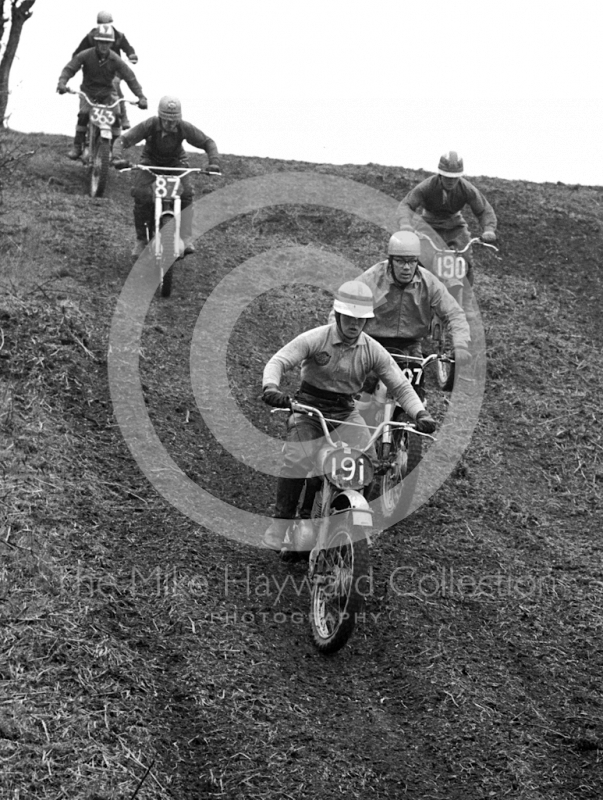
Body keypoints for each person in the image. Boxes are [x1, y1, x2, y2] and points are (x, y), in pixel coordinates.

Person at [261, 280, 436, 550]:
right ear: (339, 315)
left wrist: (420, 413)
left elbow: (400, 385)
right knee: (297, 457)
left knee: (368, 462)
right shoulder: (317, 338)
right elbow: (280, 361)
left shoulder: (371, 349)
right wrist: (271, 386)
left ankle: (346, 522)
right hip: (310, 408)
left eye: (361, 319)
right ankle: (281, 523)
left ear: (367, 321)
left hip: (345, 412)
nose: (354, 324)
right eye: (350, 318)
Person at [329, 231, 472, 399]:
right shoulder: (373, 279)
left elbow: (454, 313)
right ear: (390, 261)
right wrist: (337, 340)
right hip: (371, 342)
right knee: (355, 396)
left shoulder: (429, 283)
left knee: (414, 402)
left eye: (412, 262)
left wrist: (460, 345)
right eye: (400, 261)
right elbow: (342, 309)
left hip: (409, 347)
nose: (406, 267)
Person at [113, 96, 221, 258]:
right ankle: (142, 239)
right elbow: (124, 139)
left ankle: (185, 237)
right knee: (141, 193)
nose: (171, 124)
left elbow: (207, 142)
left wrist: (214, 162)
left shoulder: (184, 128)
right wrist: (116, 157)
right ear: (160, 117)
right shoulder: (149, 125)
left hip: (176, 163)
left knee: (186, 193)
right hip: (150, 163)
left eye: (174, 121)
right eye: (167, 120)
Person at [396, 151, 498, 289]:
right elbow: (406, 205)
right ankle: (414, 294)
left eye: (455, 177)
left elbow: (484, 209)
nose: (451, 180)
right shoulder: (426, 187)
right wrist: (405, 225)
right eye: (447, 176)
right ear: (440, 174)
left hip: (455, 226)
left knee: (465, 262)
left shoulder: (467, 189)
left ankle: (466, 300)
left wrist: (489, 229)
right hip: (428, 225)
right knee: (417, 259)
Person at [57, 24, 148, 160]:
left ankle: (115, 153)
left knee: (117, 116)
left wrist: (141, 96)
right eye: (101, 42)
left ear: (111, 44)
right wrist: (62, 83)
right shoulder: (86, 55)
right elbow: (70, 68)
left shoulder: (115, 59)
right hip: (88, 93)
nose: (104, 46)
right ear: (96, 42)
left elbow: (130, 77)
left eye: (107, 43)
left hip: (107, 93)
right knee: (83, 114)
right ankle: (77, 147)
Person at [72, 10, 140, 129]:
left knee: (114, 84)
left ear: (111, 23)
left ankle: (122, 116)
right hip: (94, 72)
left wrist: (131, 55)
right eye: (101, 24)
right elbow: (78, 52)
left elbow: (128, 48)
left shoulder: (119, 36)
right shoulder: (91, 36)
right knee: (85, 98)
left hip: (114, 70)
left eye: (107, 23)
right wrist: (79, 60)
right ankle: (81, 134)